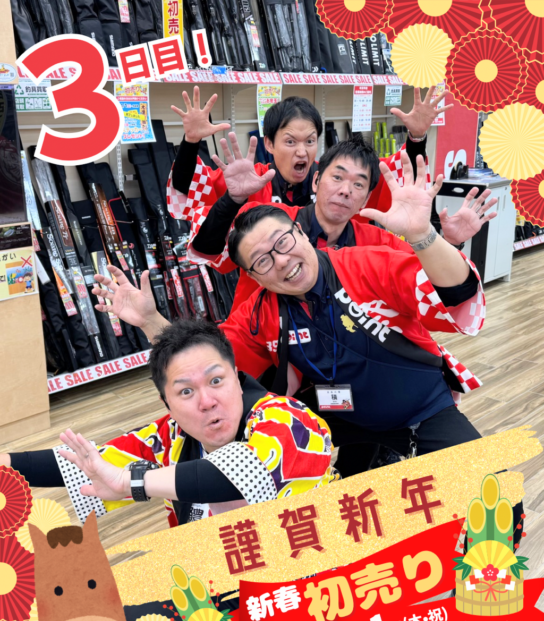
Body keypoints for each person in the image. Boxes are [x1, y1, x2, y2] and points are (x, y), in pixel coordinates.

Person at [95, 151, 486, 477]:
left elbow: (454, 294)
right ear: (252, 276)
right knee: (248, 437)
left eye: (283, 242)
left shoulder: (368, 262)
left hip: (421, 410)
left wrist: (423, 235)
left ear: (300, 233)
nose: (281, 262)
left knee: (493, 499)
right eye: (263, 260)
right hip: (336, 417)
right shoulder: (260, 312)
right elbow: (205, 358)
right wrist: (149, 319)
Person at [3, 319, 338, 530]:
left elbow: (241, 474)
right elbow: (87, 463)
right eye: (186, 391)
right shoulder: (171, 435)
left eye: (216, 381)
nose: (207, 401)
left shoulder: (289, 419)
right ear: (168, 405)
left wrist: (131, 482)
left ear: (238, 379)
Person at [167, 88, 452, 311]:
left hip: (335, 308)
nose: (302, 152)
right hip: (264, 308)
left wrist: (416, 138)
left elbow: (395, 178)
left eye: (310, 141)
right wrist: (191, 142)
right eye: (290, 141)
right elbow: (189, 193)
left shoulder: (334, 183)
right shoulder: (249, 181)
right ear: (269, 144)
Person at [182, 132, 497, 319]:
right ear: (316, 181)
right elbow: (208, 250)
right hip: (263, 353)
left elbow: (443, 293)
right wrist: (232, 199)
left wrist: (442, 241)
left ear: (366, 199)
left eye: (359, 185)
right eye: (337, 177)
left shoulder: (378, 243)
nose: (346, 190)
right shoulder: (272, 221)